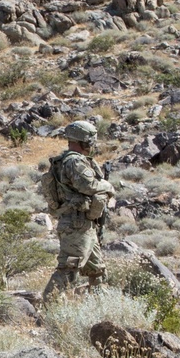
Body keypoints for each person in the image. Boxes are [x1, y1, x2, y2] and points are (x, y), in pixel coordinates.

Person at [43, 120, 115, 301]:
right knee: (69, 270)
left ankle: (101, 306)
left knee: (96, 270)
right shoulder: (74, 161)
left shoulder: (72, 160)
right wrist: (106, 186)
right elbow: (88, 186)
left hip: (84, 224)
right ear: (85, 140)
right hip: (76, 225)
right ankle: (49, 306)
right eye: (91, 140)